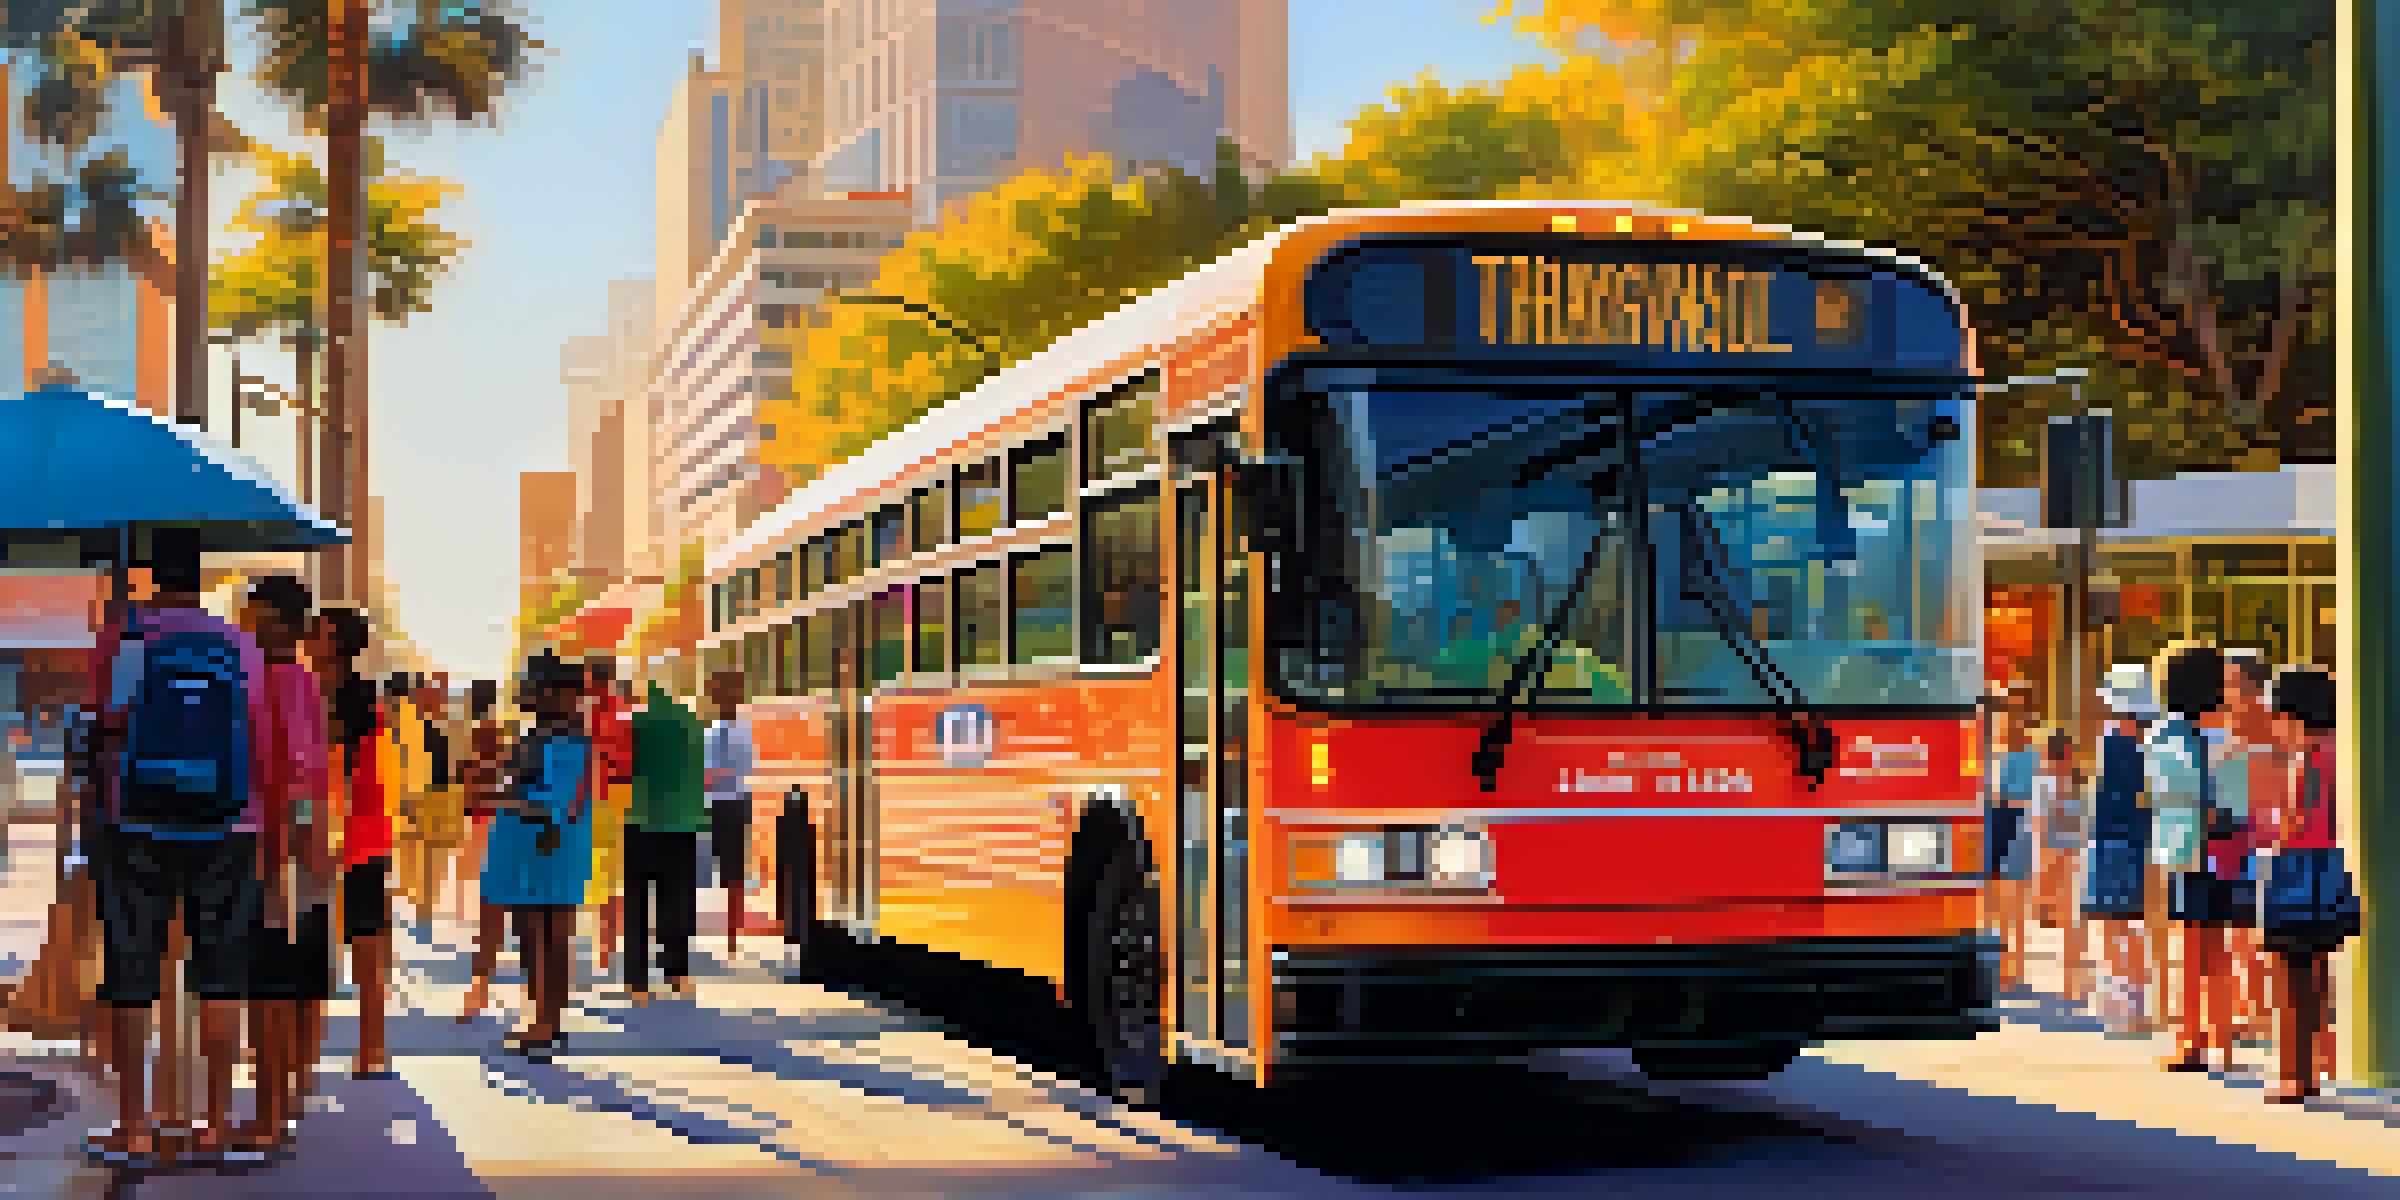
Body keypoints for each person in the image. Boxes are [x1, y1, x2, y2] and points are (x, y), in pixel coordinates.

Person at [82, 528, 273, 1166]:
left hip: (135, 822)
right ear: (199, 576)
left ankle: (136, 1126)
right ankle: (214, 1123)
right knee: (220, 977)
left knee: (132, 975)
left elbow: (103, 728)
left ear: (150, 576)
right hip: (229, 824)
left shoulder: (127, 639)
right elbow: (257, 743)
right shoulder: (239, 643)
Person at [233, 574, 331, 1158]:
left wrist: (290, 856)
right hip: (289, 849)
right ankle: (279, 1105)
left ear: (279, 621)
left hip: (272, 851)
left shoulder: (273, 680)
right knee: (283, 984)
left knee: (267, 985)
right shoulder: (304, 683)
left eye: (254, 609)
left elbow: (297, 775)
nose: (245, 617)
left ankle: (269, 1118)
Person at [481, 654, 594, 1052]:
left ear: (564, 694)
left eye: (539, 686)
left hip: (546, 847)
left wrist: (499, 801)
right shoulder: (550, 733)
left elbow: (556, 803)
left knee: (542, 934)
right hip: (539, 848)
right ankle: (547, 1018)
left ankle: (545, 1023)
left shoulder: (564, 738)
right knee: (541, 934)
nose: (531, 693)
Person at [312, 609, 393, 1079]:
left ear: (335, 641)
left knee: (355, 941)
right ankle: (367, 1048)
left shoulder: (352, 698)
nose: (309, 636)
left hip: (341, 832)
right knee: (359, 940)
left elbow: (340, 765)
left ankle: (368, 1048)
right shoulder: (365, 697)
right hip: (361, 832)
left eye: (319, 630)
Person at [2261, 665, 2347, 1102]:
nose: (2275, 724)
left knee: (2291, 977)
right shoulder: (2336, 753)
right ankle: (2317, 1062)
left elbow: (2293, 822)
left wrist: (2268, 834)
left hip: (2298, 871)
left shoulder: (2308, 760)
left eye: (2278, 714)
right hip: (2327, 871)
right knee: (2316, 974)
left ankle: (2296, 1075)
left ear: (2296, 715)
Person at [2150, 641, 2235, 1073]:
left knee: (2193, 949)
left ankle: (2191, 1040)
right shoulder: (2228, 733)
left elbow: (2170, 796)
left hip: (2187, 849)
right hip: (2227, 848)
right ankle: (2223, 1041)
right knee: (2220, 949)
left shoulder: (2170, 734)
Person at [2083, 665, 2157, 1033]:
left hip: (2112, 840)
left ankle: (2120, 995)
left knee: (2114, 922)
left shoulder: (2107, 742)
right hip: (2147, 842)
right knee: (2138, 923)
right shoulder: (2157, 743)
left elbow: (2099, 798)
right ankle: (2138, 995)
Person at [625, 678, 706, 1005]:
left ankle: (638, 983)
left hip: (641, 819)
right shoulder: (693, 724)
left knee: (637, 906)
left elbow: (625, 768)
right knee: (679, 901)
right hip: (684, 821)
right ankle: (677, 973)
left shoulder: (636, 723)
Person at [2215, 648, 2279, 1045]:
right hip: (2232, 834)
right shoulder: (2225, 724)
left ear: (2254, 686)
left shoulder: (2272, 724)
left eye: (2233, 682)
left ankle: (2257, 1011)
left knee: (2258, 929)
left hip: (2263, 834)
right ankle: (2246, 1007)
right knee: (2237, 929)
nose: (2226, 689)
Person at [457, 679, 516, 1023]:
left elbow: (471, 792)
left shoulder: (475, 734)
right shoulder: (502, 734)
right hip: (501, 824)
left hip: (484, 826)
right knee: (497, 911)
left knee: (490, 911)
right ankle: (482, 987)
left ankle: (480, 988)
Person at [2029, 726, 2089, 1007]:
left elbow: (2040, 826)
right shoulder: (2077, 782)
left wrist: (2041, 869)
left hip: (2059, 856)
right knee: (2072, 924)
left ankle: (2073, 985)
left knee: (2069, 923)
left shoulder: (2046, 784)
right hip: (2074, 855)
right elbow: (2084, 825)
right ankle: (2074, 984)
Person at [584, 659, 635, 975]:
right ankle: (609, 946)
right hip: (622, 798)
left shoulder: (588, 715)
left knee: (600, 877)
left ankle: (604, 949)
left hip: (598, 800)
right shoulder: (626, 712)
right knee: (616, 878)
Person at [1984, 696, 2036, 990]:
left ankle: (2013, 968)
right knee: (1995, 906)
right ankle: (2002, 967)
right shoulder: (1988, 753)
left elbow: (2022, 798)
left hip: (2014, 828)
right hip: (1994, 828)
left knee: (2013, 907)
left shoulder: (2026, 756)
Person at [704, 670, 756, 958]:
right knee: (725, 874)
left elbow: (743, 771)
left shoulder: (737, 732)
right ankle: (730, 937)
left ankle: (732, 938)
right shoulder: (712, 732)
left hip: (730, 803)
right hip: (722, 802)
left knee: (733, 874)